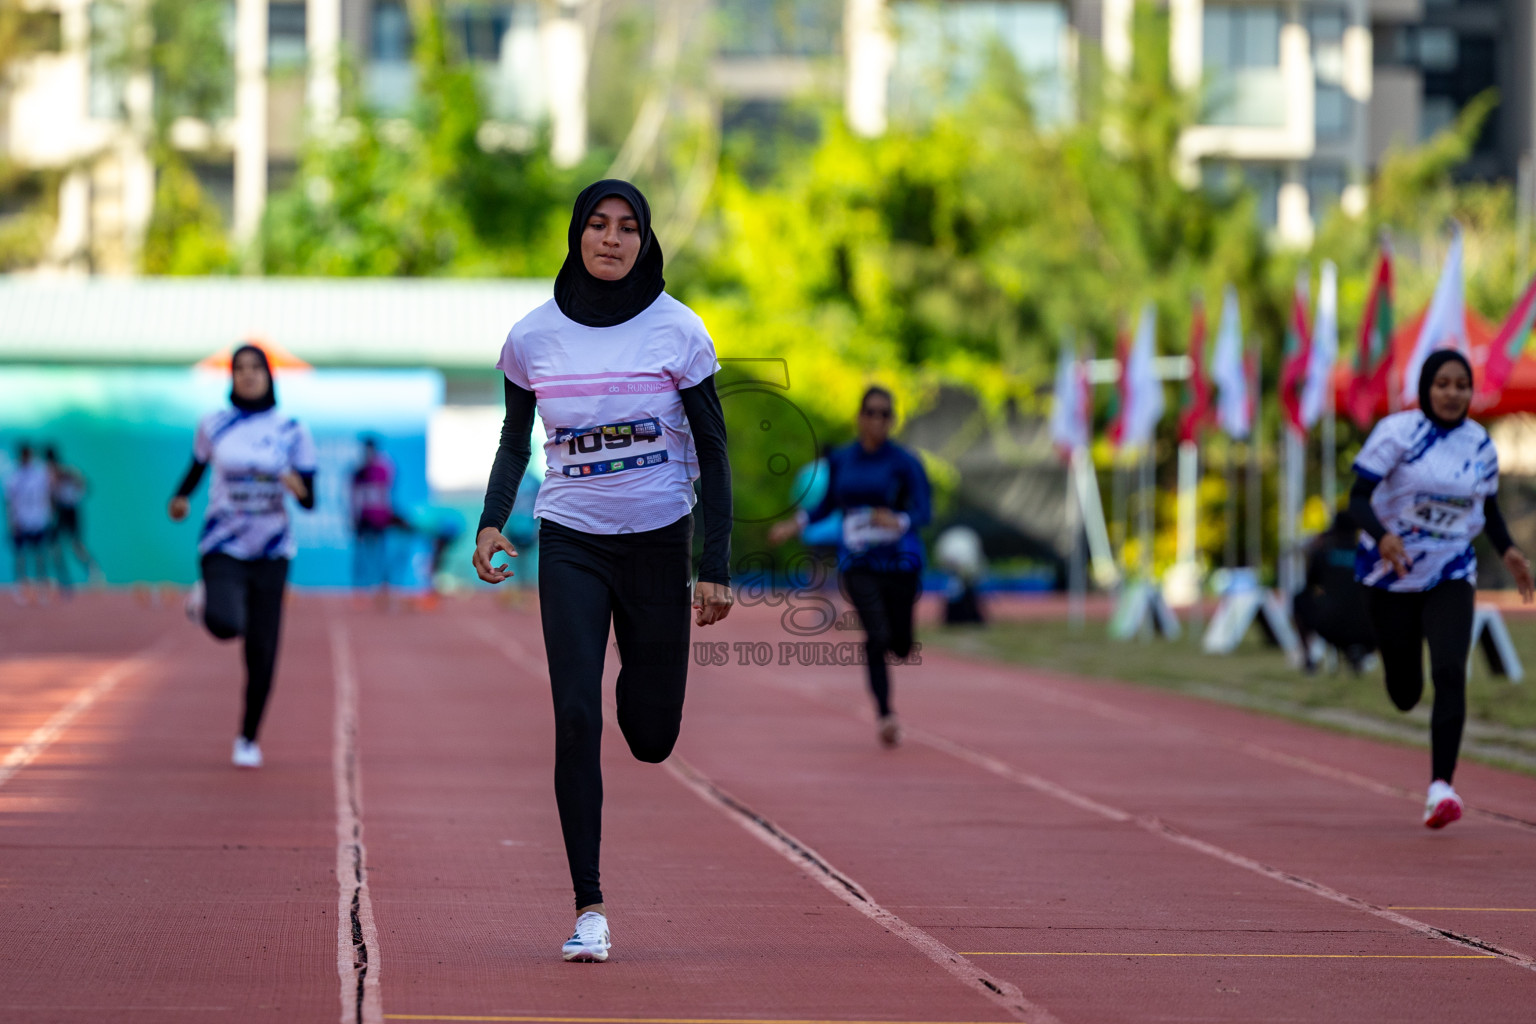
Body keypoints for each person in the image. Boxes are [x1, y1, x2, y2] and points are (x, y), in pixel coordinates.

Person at [472, 179, 733, 964]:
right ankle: (589, 907)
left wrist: (714, 565)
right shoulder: (533, 338)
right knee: (575, 716)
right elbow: (516, 440)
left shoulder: (679, 331)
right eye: (597, 225)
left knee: (650, 737)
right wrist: (491, 520)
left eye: (626, 227)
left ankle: (637, 680)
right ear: (577, 235)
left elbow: (716, 454)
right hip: (572, 541)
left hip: (658, 541)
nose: (611, 239)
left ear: (645, 240)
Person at [1349, 350, 1533, 829]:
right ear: (1426, 387)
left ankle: (1440, 788)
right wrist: (1384, 536)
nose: (1453, 394)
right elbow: (1357, 498)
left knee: (1451, 669)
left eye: (1462, 385)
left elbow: (1487, 509)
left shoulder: (1480, 445)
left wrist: (1509, 550)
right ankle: (1394, 664)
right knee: (1406, 692)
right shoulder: (1397, 433)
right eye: (1443, 384)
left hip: (1451, 570)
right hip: (1389, 575)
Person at [168, 345, 317, 770]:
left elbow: (310, 500)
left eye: (256, 368)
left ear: (270, 376)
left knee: (263, 651)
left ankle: (248, 738)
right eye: (240, 369)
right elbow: (195, 469)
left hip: (272, 551)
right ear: (231, 377)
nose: (248, 375)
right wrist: (179, 499)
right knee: (226, 623)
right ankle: (210, 601)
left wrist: (294, 483)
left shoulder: (292, 430)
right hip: (222, 542)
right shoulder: (214, 424)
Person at [768, 386, 932, 748]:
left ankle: (894, 656)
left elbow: (924, 510)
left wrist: (900, 521)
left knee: (900, 645)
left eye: (885, 414)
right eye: (871, 412)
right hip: (858, 562)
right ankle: (886, 713)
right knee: (876, 635)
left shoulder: (905, 463)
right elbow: (825, 505)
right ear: (859, 417)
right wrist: (794, 523)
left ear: (893, 419)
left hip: (901, 563)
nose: (877, 420)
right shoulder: (842, 460)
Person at [1292, 510, 1373, 672]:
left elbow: (1309, 585)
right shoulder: (1367, 555)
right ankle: (1358, 652)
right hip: (1366, 630)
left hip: (1330, 624)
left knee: (1299, 599)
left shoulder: (1324, 552)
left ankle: (1308, 659)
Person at [349, 436, 404, 601]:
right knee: (362, 553)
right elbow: (354, 495)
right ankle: (361, 587)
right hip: (364, 517)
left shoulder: (383, 467)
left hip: (380, 516)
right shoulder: (359, 470)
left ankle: (381, 585)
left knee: (381, 551)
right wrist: (353, 517)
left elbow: (388, 491)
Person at [5, 442, 53, 603]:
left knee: (39, 555)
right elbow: (10, 500)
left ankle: (41, 589)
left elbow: (46, 495)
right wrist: (12, 521)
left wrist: (47, 515)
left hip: (38, 519)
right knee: (21, 555)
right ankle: (20, 588)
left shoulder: (39, 473)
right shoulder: (15, 475)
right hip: (22, 520)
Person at [45, 445, 97, 588]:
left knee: (76, 546)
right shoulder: (48, 474)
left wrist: (76, 488)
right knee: (54, 546)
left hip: (70, 510)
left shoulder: (66, 471)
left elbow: (86, 485)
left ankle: (93, 571)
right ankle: (63, 578)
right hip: (59, 512)